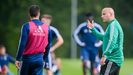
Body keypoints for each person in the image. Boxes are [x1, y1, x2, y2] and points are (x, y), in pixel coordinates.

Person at [15, 5, 51, 75]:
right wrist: (45, 59)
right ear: (39, 14)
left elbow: (22, 44)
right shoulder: (47, 28)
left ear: (29, 14)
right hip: (39, 59)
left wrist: (18, 58)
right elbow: (48, 45)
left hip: (27, 59)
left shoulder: (26, 26)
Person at [87, 7, 124, 75]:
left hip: (112, 59)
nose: (102, 16)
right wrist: (93, 29)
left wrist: (104, 55)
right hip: (113, 60)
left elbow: (112, 41)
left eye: (104, 14)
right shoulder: (111, 25)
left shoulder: (113, 25)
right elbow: (104, 38)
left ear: (111, 14)